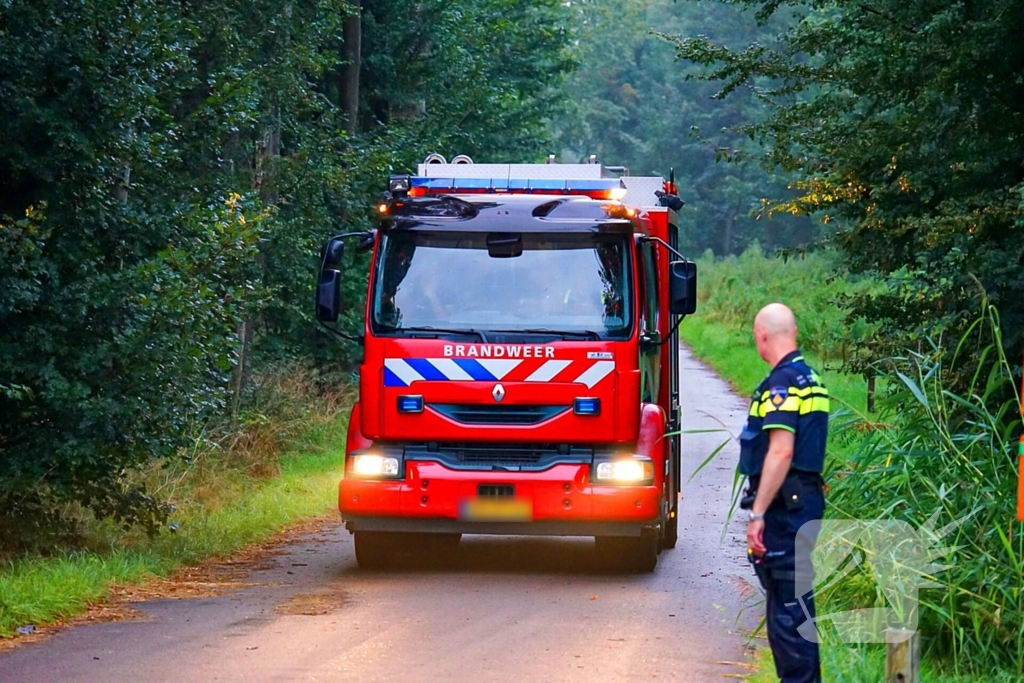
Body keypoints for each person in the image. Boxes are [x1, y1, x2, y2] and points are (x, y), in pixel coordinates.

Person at [740, 303, 829, 683]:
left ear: (762, 334)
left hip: (786, 511)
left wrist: (758, 513)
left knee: (789, 616)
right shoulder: (811, 378)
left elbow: (781, 449)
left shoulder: (782, 383)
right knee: (794, 609)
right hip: (804, 504)